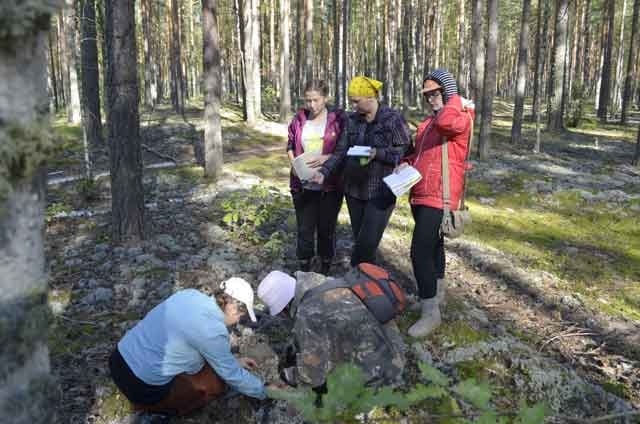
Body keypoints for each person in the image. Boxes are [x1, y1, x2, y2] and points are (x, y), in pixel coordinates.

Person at [109, 278, 275, 423]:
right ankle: (156, 411)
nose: (239, 320)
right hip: (142, 386)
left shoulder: (190, 295)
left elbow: (191, 343)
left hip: (118, 359)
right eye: (242, 315)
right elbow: (231, 375)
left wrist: (234, 361)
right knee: (214, 385)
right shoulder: (213, 331)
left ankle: (147, 402)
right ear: (232, 308)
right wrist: (264, 391)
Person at [398, 69, 475, 338]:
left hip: (440, 195)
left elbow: (447, 125)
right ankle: (437, 292)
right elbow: (417, 154)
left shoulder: (458, 117)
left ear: (448, 92)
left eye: (435, 93)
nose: (430, 99)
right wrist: (404, 166)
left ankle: (430, 312)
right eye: (427, 94)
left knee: (419, 252)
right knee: (433, 247)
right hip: (420, 191)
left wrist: (453, 100)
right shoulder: (427, 124)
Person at [312, 76, 411, 266]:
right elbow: (341, 151)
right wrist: (324, 171)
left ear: (371, 98)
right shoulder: (352, 121)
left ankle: (360, 280)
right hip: (354, 191)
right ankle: (365, 280)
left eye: (357, 101)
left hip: (381, 191)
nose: (354, 106)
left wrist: (378, 153)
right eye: (352, 102)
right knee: (360, 240)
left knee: (366, 245)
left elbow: (405, 152)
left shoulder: (393, 119)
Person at [257, 270, 405, 389]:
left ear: (284, 306)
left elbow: (313, 375)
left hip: (385, 367)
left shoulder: (308, 314)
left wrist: (288, 376)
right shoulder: (316, 281)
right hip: (389, 339)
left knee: (331, 391)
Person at [287, 80, 347, 275]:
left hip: (330, 186)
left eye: (316, 100)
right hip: (302, 185)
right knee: (304, 230)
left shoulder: (337, 119)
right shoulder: (299, 119)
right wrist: (294, 164)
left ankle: (324, 269)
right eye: (308, 100)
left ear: (325, 98)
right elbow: (289, 145)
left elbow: (344, 149)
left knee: (326, 230)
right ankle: (304, 269)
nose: (311, 105)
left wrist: (326, 159)